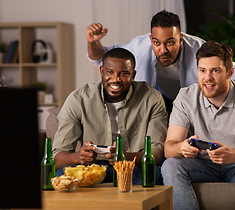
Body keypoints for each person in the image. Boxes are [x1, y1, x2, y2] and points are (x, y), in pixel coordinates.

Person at [86, 10, 235, 112]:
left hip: (191, 105)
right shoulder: (139, 46)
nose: (163, 50)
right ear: (150, 40)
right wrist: (92, 41)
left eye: (170, 42)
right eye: (157, 43)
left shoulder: (198, 49)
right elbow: (102, 57)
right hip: (157, 104)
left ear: (181, 38)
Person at [161, 41, 235, 210]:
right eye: (202, 70)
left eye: (215, 71)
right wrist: (182, 147)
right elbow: (169, 148)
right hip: (202, 167)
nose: (207, 78)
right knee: (171, 165)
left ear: (229, 72)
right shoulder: (185, 97)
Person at [52, 47, 168, 185]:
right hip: (92, 167)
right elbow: (57, 157)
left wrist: (126, 157)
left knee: (153, 175)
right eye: (110, 72)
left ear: (133, 75)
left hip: (132, 166)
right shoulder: (79, 99)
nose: (115, 79)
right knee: (60, 175)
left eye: (124, 73)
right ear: (102, 71)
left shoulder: (152, 98)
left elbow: (158, 153)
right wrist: (78, 157)